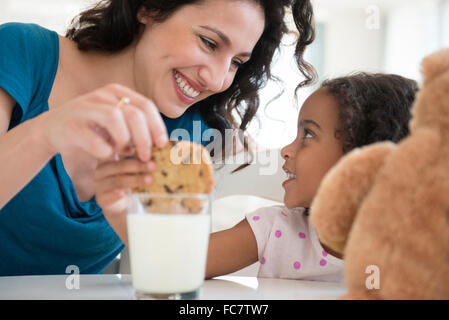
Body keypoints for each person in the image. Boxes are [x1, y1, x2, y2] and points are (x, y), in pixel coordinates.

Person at [0, 0, 315, 276]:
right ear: (149, 8)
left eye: (236, 62)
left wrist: (124, 216)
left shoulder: (194, 132)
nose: (218, 80)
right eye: (209, 42)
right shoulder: (23, 52)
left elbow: (169, 274)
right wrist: (46, 133)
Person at [204, 73, 419, 281]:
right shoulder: (275, 228)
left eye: (308, 134)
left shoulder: (417, 251)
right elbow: (179, 263)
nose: (286, 150)